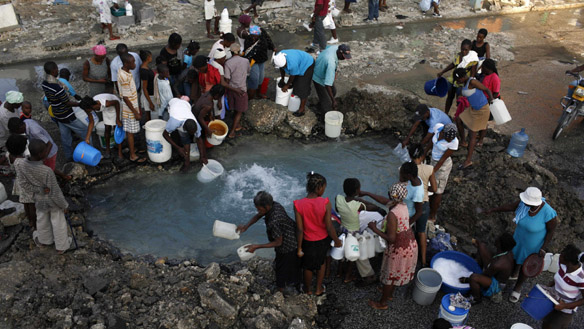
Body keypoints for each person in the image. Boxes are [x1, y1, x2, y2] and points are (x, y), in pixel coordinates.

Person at [484, 187, 558, 303]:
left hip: (532, 244)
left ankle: (517, 287)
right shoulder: (524, 204)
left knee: (525, 266)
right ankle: (511, 274)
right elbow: (510, 207)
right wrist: (493, 210)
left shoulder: (548, 213)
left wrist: (543, 248)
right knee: (512, 258)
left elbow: (551, 231)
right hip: (518, 238)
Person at [367, 182, 418, 310]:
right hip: (409, 243)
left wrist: (374, 229)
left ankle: (382, 303)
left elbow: (391, 238)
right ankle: (388, 293)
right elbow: (385, 201)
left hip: (399, 248)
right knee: (395, 272)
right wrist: (366, 193)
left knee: (390, 275)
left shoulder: (392, 214)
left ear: (391, 195)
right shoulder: (403, 205)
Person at [15, 139, 71, 254]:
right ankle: (61, 246)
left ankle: (45, 241)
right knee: (58, 221)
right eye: (46, 151)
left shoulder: (20, 164)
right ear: (41, 154)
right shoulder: (46, 171)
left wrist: (39, 190)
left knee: (42, 219)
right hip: (51, 200)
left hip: (38, 198)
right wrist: (64, 205)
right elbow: (55, 191)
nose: (47, 153)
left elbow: (24, 184)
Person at [237, 191, 300, 292]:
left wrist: (256, 246)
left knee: (282, 268)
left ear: (266, 207)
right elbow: (258, 215)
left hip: (288, 245)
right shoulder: (275, 205)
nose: (257, 210)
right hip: (292, 233)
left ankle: (282, 289)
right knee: (285, 263)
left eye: (258, 208)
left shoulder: (274, 221)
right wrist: (246, 226)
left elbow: (278, 242)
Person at [295, 172, 342, 296]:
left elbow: (299, 229)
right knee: (321, 263)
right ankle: (318, 288)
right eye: (324, 188)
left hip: (307, 240)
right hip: (322, 239)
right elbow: (329, 226)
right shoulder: (325, 202)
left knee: (308, 266)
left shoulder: (298, 204)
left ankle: (307, 290)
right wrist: (337, 240)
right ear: (319, 188)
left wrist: (299, 247)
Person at [335, 178, 385, 284]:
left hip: (342, 229)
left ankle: (339, 272)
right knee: (352, 256)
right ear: (358, 190)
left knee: (342, 251)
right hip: (353, 233)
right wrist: (361, 200)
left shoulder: (338, 199)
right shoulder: (359, 205)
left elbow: (338, 209)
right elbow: (374, 208)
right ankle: (348, 276)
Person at [41, 61, 87, 162]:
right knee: (86, 131)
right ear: (53, 71)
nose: (58, 70)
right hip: (66, 115)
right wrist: (80, 104)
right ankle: (90, 152)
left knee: (65, 137)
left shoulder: (45, 84)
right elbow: (67, 103)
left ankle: (69, 157)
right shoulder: (58, 88)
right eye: (57, 68)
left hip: (57, 114)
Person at [452, 68, 493, 170]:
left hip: (481, 110)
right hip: (473, 109)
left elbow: (486, 89)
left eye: (458, 80)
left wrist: (491, 100)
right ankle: (463, 141)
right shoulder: (465, 83)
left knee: (472, 135)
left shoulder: (472, 81)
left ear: (462, 77)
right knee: (458, 119)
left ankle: (468, 160)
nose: (458, 82)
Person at [459, 233, 516, 305]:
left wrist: (466, 279)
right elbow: (492, 258)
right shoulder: (506, 252)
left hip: (497, 283)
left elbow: (486, 274)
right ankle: (478, 266)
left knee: (473, 278)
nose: (496, 239)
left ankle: (476, 298)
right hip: (493, 269)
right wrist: (480, 246)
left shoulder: (498, 264)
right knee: (482, 246)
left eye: (498, 239)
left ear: (499, 244)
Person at [542, 244, 584, 329]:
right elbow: (557, 280)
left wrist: (564, 306)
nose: (559, 256)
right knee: (545, 323)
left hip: (565, 310)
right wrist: (546, 288)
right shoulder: (563, 266)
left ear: (568, 261)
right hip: (552, 300)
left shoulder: (581, 278)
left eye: (561, 255)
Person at [408, 144, 437, 266]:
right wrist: (426, 187)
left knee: (407, 229)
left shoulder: (404, 169)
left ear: (410, 155)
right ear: (422, 155)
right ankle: (423, 261)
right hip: (423, 203)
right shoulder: (429, 169)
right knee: (421, 232)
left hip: (409, 204)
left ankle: (407, 258)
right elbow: (434, 189)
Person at [424, 123, 458, 222]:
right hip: (433, 161)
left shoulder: (454, 142)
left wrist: (431, 172)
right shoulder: (438, 127)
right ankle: (427, 208)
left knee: (437, 190)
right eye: (448, 138)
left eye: (451, 139)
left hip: (442, 166)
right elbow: (431, 142)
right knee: (429, 185)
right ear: (443, 133)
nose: (450, 140)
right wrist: (424, 153)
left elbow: (442, 159)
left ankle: (432, 215)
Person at [162, 98, 206, 171]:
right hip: (172, 104)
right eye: (191, 133)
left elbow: (199, 139)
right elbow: (165, 134)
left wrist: (203, 156)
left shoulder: (195, 125)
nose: (193, 134)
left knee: (185, 138)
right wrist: (178, 147)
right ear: (184, 128)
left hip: (185, 105)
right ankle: (185, 158)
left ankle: (186, 162)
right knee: (170, 129)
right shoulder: (174, 122)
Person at [78, 88, 122, 159]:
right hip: (106, 110)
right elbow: (91, 122)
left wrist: (117, 119)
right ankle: (108, 150)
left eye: (86, 110)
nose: (86, 111)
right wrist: (87, 138)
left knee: (116, 129)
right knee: (107, 128)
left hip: (115, 107)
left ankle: (120, 152)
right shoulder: (88, 108)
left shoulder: (105, 103)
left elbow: (116, 103)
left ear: (91, 107)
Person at [437, 39, 479, 114]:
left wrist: (468, 85)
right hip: (453, 79)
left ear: (470, 48)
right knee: (449, 97)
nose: (464, 52)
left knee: (459, 101)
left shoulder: (473, 59)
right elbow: (453, 64)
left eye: (466, 50)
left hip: (462, 83)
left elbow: (473, 73)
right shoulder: (458, 55)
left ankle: (458, 117)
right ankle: (446, 113)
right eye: (462, 49)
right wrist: (442, 72)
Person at [117, 53, 145, 163]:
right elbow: (125, 97)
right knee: (130, 133)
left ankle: (133, 149)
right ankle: (133, 155)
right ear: (126, 64)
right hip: (130, 110)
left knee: (131, 132)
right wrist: (135, 112)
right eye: (132, 62)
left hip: (132, 107)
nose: (135, 64)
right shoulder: (123, 76)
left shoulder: (126, 72)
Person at [273, 50, 315, 117]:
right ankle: (296, 95)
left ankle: (302, 109)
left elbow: (293, 75)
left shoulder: (292, 63)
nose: (284, 67)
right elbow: (281, 68)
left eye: (284, 66)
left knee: (302, 86)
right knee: (295, 83)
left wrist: (287, 85)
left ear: (286, 63)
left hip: (307, 64)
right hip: (299, 60)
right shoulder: (279, 57)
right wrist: (282, 79)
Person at [6, 135, 35, 230]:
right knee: (32, 204)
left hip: (19, 182)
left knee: (25, 202)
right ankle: (34, 222)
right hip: (28, 184)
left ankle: (29, 218)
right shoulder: (25, 160)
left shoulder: (9, 155)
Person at [312, 44, 351, 112]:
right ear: (339, 52)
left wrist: (334, 73)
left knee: (333, 91)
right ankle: (323, 116)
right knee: (328, 105)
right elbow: (327, 85)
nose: (344, 59)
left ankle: (322, 102)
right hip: (318, 77)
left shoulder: (335, 47)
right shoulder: (331, 63)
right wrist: (333, 101)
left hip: (322, 68)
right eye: (343, 56)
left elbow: (325, 47)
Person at [243, 25, 276, 100]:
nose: (254, 38)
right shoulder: (248, 40)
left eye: (256, 36)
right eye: (252, 36)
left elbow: (268, 39)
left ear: (259, 34)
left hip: (262, 59)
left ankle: (258, 94)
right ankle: (250, 99)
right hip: (253, 61)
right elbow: (247, 54)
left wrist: (273, 47)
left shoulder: (262, 33)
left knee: (261, 78)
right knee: (254, 79)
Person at [225, 44, 250, 138]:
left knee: (234, 108)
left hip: (231, 89)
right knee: (239, 111)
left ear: (231, 52)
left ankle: (236, 125)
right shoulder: (246, 61)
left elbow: (227, 79)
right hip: (242, 89)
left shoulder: (228, 63)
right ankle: (232, 131)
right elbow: (248, 72)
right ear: (239, 51)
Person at [476, 58, 500, 146]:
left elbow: (496, 92)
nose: (482, 69)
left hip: (488, 101)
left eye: (483, 67)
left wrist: (489, 102)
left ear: (488, 68)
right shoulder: (485, 75)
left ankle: (481, 139)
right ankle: (479, 135)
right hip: (482, 100)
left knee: (484, 121)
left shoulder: (494, 77)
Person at [139, 50, 155, 122]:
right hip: (148, 95)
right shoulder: (144, 71)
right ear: (148, 57)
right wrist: (150, 102)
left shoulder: (145, 67)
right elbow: (144, 88)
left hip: (150, 94)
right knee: (149, 115)